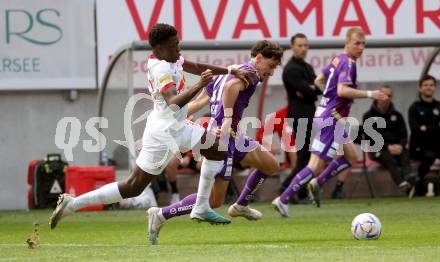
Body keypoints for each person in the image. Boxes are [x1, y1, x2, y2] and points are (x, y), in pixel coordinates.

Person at [48, 23, 253, 232]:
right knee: (133, 186)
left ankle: (200, 206)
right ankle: (72, 204)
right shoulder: (160, 69)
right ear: (160, 47)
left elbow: (197, 67)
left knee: (218, 149)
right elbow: (174, 103)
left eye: (178, 44)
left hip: (178, 126)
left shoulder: (170, 58)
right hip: (164, 132)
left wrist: (230, 71)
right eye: (175, 45)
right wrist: (199, 85)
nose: (179, 49)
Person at [147, 40, 284, 244]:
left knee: (271, 165)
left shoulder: (228, 71)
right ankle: (161, 214)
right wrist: (228, 118)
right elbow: (230, 88)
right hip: (223, 137)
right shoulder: (250, 73)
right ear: (258, 58)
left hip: (232, 135)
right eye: (271, 66)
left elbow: (200, 102)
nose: (271, 72)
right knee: (214, 200)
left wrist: (175, 119)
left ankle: (241, 205)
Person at [272, 27, 388, 217]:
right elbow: (342, 90)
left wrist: (328, 95)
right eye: (356, 43)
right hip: (330, 117)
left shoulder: (337, 59)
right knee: (314, 165)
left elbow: (319, 79)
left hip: (331, 115)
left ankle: (317, 183)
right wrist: (370, 94)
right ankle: (283, 199)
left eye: (363, 44)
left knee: (351, 155)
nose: (361, 48)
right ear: (347, 43)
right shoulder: (349, 63)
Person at [280, 33, 321, 199]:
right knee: (305, 157)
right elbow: (311, 91)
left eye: (305, 45)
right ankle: (286, 189)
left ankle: (299, 192)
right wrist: (311, 89)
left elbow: (317, 89)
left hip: (310, 115)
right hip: (299, 117)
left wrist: (312, 89)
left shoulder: (307, 67)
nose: (303, 49)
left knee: (308, 156)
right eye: (299, 45)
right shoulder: (291, 70)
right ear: (292, 47)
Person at [362, 84, 414, 190]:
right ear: (377, 96)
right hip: (377, 149)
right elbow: (370, 139)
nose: (386, 98)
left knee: (405, 155)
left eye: (389, 96)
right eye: (383, 95)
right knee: (389, 159)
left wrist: (400, 146)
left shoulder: (397, 115)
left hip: (396, 147)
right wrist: (387, 147)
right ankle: (402, 183)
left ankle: (410, 178)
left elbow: (404, 135)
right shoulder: (368, 116)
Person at [408, 75, 439, 197]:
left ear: (435, 88)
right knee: (430, 155)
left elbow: (423, 128)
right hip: (418, 147)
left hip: (436, 146)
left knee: (433, 153)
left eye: (431, 85)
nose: (428, 88)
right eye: (425, 85)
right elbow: (415, 129)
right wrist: (435, 128)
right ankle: (417, 183)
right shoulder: (414, 107)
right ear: (420, 88)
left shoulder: (438, 106)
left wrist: (426, 127)